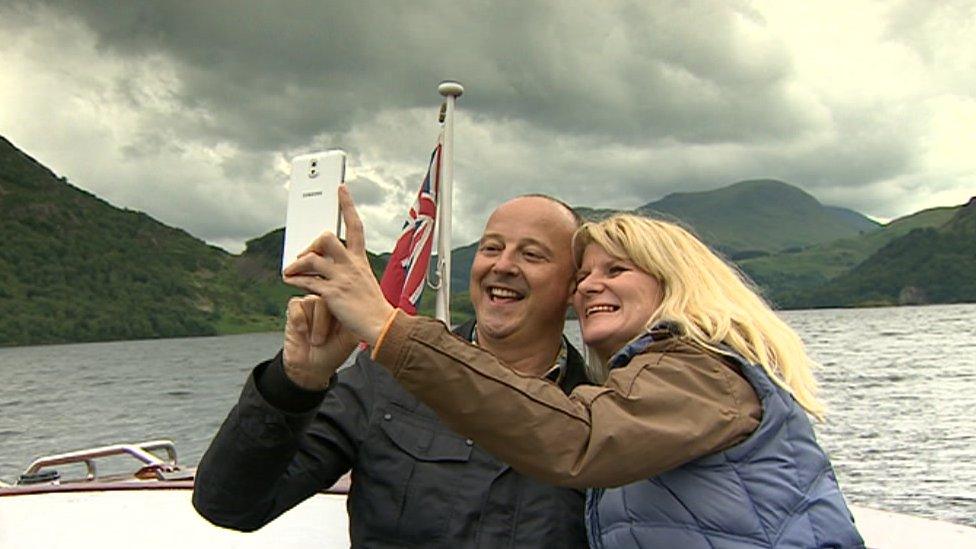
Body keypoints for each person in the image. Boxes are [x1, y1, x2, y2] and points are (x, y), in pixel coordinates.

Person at [287, 208, 865, 548]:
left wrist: (390, 330)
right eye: (583, 275)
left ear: (674, 282)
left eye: (616, 270)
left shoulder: (703, 370)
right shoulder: (634, 383)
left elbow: (580, 440)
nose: (589, 286)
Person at [191, 189, 592, 547]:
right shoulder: (386, 379)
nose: (502, 265)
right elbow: (229, 505)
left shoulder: (598, 411)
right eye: (491, 248)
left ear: (574, 286)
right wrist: (296, 382)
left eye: (531, 254)